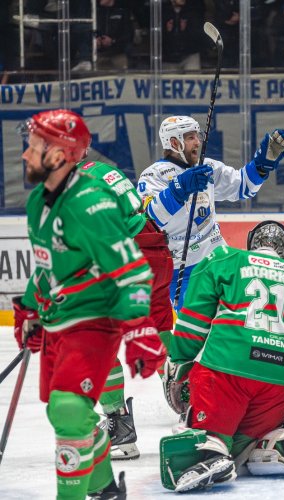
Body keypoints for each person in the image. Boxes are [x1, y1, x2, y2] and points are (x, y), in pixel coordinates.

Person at [13, 109, 153, 499]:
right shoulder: (38, 202)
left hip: (95, 320)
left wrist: (140, 332)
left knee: (70, 409)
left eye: (35, 146)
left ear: (59, 154)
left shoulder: (92, 205)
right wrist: (29, 309)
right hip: (61, 319)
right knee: (65, 414)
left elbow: (133, 272)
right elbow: (46, 267)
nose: (25, 155)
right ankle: (105, 487)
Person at [161, 221, 284, 492]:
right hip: (280, 384)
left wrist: (180, 362)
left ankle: (213, 449)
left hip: (226, 372)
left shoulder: (223, 260)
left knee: (215, 437)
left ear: (251, 241)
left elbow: (193, 323)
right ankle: (279, 444)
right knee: (246, 445)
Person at [137, 116, 284, 311]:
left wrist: (260, 166)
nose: (197, 142)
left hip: (218, 254)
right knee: (203, 324)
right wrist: (179, 189)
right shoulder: (153, 175)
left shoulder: (207, 167)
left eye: (198, 136)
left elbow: (242, 186)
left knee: (246, 307)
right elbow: (150, 218)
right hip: (182, 269)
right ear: (174, 143)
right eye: (190, 137)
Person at [78, 158, 172, 460]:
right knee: (158, 335)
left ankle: (119, 428)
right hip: (155, 251)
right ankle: (196, 407)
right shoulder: (105, 168)